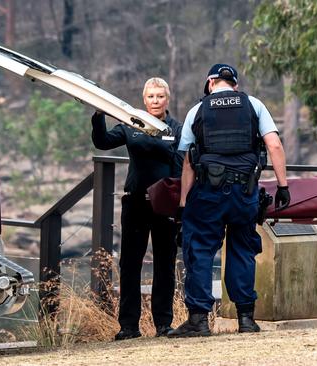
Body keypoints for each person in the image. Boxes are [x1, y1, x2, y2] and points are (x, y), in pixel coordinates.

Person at [168, 63, 290, 337]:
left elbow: (187, 161)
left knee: (199, 251)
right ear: (234, 84)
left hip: (206, 194)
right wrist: (283, 186)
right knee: (242, 250)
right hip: (244, 193)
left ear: (210, 83)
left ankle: (199, 321)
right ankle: (246, 319)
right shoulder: (253, 104)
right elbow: (274, 145)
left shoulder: (197, 110)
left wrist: (184, 202)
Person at [91, 77, 183, 339]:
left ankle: (164, 324)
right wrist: (99, 115)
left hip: (164, 204)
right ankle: (128, 327)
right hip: (135, 202)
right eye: (151, 96)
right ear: (144, 99)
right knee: (130, 264)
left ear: (168, 99)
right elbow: (103, 141)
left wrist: (179, 209)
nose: (155, 101)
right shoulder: (131, 125)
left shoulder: (175, 128)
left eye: (160, 96)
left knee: (165, 265)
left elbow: (179, 167)